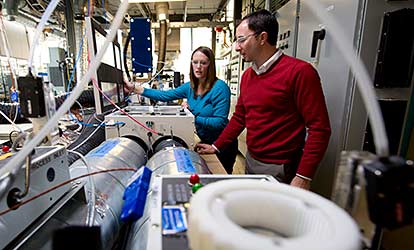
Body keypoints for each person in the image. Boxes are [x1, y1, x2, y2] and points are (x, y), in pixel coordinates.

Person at [196, 10, 331, 190]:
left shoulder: (300, 72)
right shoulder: (248, 76)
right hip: (252, 161)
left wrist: (303, 176)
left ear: (262, 38)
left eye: (241, 40)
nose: (236, 47)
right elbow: (239, 118)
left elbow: (319, 129)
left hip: (281, 168)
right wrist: (217, 146)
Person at [125, 46, 238, 174]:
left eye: (203, 63)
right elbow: (165, 95)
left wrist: (192, 117)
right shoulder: (190, 87)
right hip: (205, 141)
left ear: (210, 65)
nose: (198, 67)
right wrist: (134, 88)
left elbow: (220, 123)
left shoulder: (220, 88)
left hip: (223, 145)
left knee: (219, 178)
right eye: (195, 62)